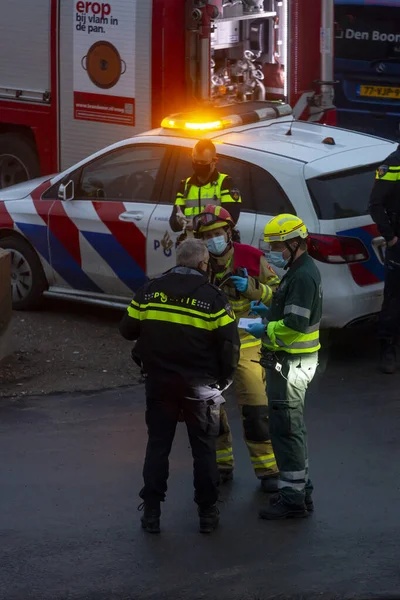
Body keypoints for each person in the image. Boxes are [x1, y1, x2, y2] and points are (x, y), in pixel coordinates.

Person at [119, 238, 240, 534]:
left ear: (177, 261)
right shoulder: (212, 298)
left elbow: (127, 330)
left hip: (159, 384)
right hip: (200, 388)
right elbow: (230, 345)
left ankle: (151, 513)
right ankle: (208, 514)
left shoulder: (149, 291)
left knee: (158, 447)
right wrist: (223, 380)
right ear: (203, 264)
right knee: (203, 450)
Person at [193, 204, 280, 491]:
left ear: (229, 232)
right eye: (206, 235)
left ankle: (268, 471)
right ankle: (221, 466)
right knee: (210, 413)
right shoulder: (196, 264)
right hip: (210, 347)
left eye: (217, 233)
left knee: (256, 410)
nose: (212, 240)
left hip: (247, 344)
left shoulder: (251, 258)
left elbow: (279, 294)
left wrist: (253, 288)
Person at [246, 214, 322, 520]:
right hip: (291, 363)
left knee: (286, 429)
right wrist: (270, 309)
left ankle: (293, 500)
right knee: (292, 428)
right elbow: (290, 311)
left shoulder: (302, 276)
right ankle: (301, 489)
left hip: (289, 364)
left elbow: (295, 325)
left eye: (277, 245)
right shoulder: (298, 271)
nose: (273, 251)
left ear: (295, 243)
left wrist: (263, 330)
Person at [368, 144, 400, 374]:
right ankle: (388, 349)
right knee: (394, 299)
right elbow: (375, 204)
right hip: (399, 245)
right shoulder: (393, 164)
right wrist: (390, 238)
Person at [169, 139, 242, 234]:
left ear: (214, 161)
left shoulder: (226, 183)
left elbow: (230, 219)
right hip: (194, 244)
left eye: (203, 163)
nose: (199, 165)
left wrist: (197, 224)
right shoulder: (184, 186)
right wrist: (179, 221)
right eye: (195, 161)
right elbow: (174, 225)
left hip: (215, 243)